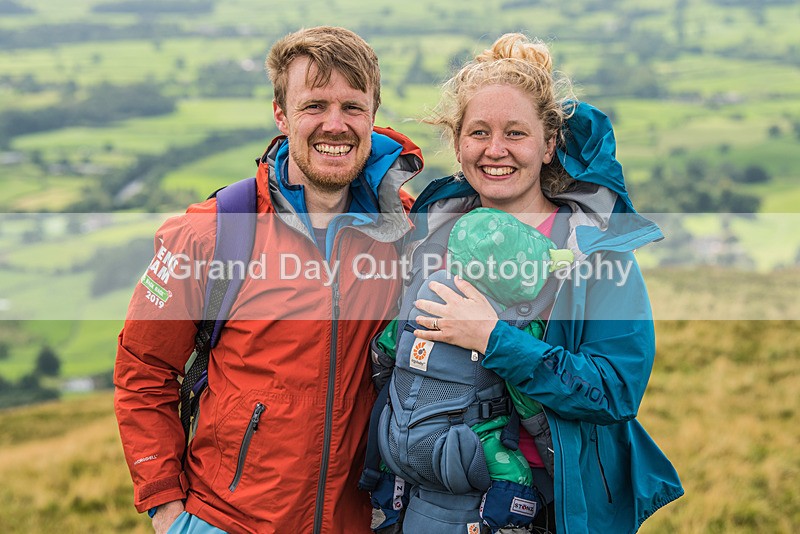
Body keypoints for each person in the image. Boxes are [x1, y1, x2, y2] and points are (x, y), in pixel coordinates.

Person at [114, 26, 422, 534]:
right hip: (228, 520)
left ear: (373, 114)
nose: (334, 124)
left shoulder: (406, 232)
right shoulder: (211, 234)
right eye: (314, 105)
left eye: (352, 107)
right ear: (280, 114)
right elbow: (143, 371)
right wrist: (168, 512)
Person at [383, 33, 684, 533]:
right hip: (427, 504)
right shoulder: (431, 236)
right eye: (478, 132)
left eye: (515, 134)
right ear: (458, 145)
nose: (494, 150)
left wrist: (493, 339)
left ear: (549, 145)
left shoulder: (595, 255)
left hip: (545, 508)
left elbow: (614, 392)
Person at [370, 207, 574, 533]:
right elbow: (526, 394)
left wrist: (390, 381)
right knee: (515, 474)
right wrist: (546, 440)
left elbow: (387, 344)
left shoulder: (428, 290)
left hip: (397, 436)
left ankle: (388, 507)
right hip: (467, 444)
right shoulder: (512, 325)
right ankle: (505, 525)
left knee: (388, 461)